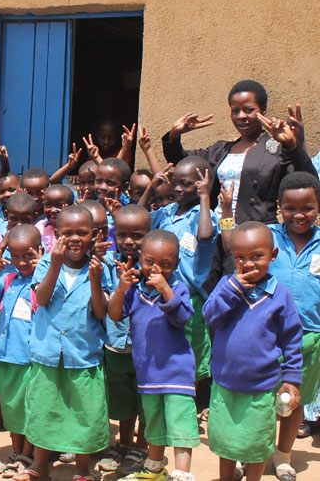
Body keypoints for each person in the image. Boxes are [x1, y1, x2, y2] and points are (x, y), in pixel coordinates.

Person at [161, 80, 316, 284]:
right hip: (214, 235)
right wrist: (175, 134)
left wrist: (292, 144)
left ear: (263, 110)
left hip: (252, 238)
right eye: (235, 111)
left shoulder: (275, 149)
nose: (241, 116)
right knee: (213, 294)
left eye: (249, 110)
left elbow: (308, 183)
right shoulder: (220, 150)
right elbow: (182, 162)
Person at [203, 222, 303, 481]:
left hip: (262, 387)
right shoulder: (227, 285)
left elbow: (292, 339)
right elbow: (211, 316)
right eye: (240, 258)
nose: (248, 264)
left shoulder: (281, 295)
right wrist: (233, 289)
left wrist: (292, 380)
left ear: (273, 255)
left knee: (257, 445)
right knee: (226, 441)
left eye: (257, 256)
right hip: (225, 384)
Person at [19, 206, 110, 481]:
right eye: (67, 233)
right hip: (47, 352)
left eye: (82, 233)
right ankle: (39, 464)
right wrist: (56, 264)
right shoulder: (47, 262)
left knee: (85, 410)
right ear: (57, 235)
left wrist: (95, 281)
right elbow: (43, 299)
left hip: (82, 352)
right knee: (43, 408)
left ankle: (82, 469)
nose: (75, 239)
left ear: (94, 235)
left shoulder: (98, 267)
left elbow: (101, 312)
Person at [109, 230, 199, 481]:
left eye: (166, 264)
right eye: (150, 262)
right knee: (154, 423)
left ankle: (182, 474)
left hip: (177, 372)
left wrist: (165, 289)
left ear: (177, 264)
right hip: (148, 372)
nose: (156, 268)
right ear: (139, 258)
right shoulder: (135, 290)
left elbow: (181, 317)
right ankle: (155, 467)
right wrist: (122, 287)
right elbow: (115, 315)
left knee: (181, 425)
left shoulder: (179, 288)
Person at [265, 173, 320, 481]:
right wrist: (229, 216)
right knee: (260, 399)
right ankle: (255, 452)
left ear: (318, 207)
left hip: (309, 336)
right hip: (267, 334)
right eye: (291, 208)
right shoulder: (268, 237)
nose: (299, 215)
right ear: (279, 207)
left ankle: (282, 455)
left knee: (293, 399)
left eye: (308, 208)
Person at [0, 224, 42, 478]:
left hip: (30, 358)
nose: (22, 261)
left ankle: (27, 456)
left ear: (40, 250)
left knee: (29, 407)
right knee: (12, 408)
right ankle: (17, 453)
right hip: (7, 355)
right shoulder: (7, 279)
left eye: (28, 254)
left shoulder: (44, 279)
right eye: (16, 256)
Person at [150, 156, 218, 386]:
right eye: (175, 182)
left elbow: (206, 235)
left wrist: (205, 197)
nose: (178, 189)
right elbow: (137, 222)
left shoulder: (204, 214)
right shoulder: (166, 212)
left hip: (190, 296)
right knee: (162, 348)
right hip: (158, 293)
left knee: (190, 350)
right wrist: (150, 188)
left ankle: (191, 398)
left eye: (186, 184)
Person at [98, 205, 152, 477]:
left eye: (137, 235)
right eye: (122, 235)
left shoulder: (156, 267)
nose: (129, 241)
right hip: (116, 344)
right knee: (122, 397)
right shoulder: (109, 264)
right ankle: (124, 442)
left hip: (147, 350)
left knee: (145, 397)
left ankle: (141, 446)